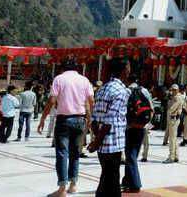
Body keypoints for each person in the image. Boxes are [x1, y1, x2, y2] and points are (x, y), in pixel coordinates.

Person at [38, 59, 94, 197]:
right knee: (75, 153)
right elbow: (91, 101)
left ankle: (62, 189)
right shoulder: (84, 80)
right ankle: (73, 185)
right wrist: (89, 118)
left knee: (62, 153)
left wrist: (43, 118)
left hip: (64, 120)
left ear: (63, 68)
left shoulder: (59, 79)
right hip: (80, 119)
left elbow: (52, 100)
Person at [88, 58, 130, 197]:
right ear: (124, 70)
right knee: (112, 181)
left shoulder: (102, 89)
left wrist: (97, 139)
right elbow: (109, 120)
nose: (130, 70)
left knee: (106, 178)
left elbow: (94, 118)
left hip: (102, 144)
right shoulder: (121, 91)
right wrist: (96, 142)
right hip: (113, 143)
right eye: (128, 66)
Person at [122, 75, 153, 193]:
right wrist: (147, 124)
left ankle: (135, 184)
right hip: (141, 127)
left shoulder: (126, 91)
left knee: (130, 155)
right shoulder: (144, 90)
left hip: (129, 127)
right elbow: (151, 108)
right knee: (133, 154)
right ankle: (127, 181)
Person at [163, 84, 184, 163]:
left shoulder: (177, 98)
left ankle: (171, 156)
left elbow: (171, 109)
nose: (173, 91)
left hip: (173, 119)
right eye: (172, 89)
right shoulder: (173, 97)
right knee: (174, 139)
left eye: (175, 90)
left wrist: (168, 111)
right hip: (173, 119)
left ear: (178, 90)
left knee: (172, 139)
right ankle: (175, 156)